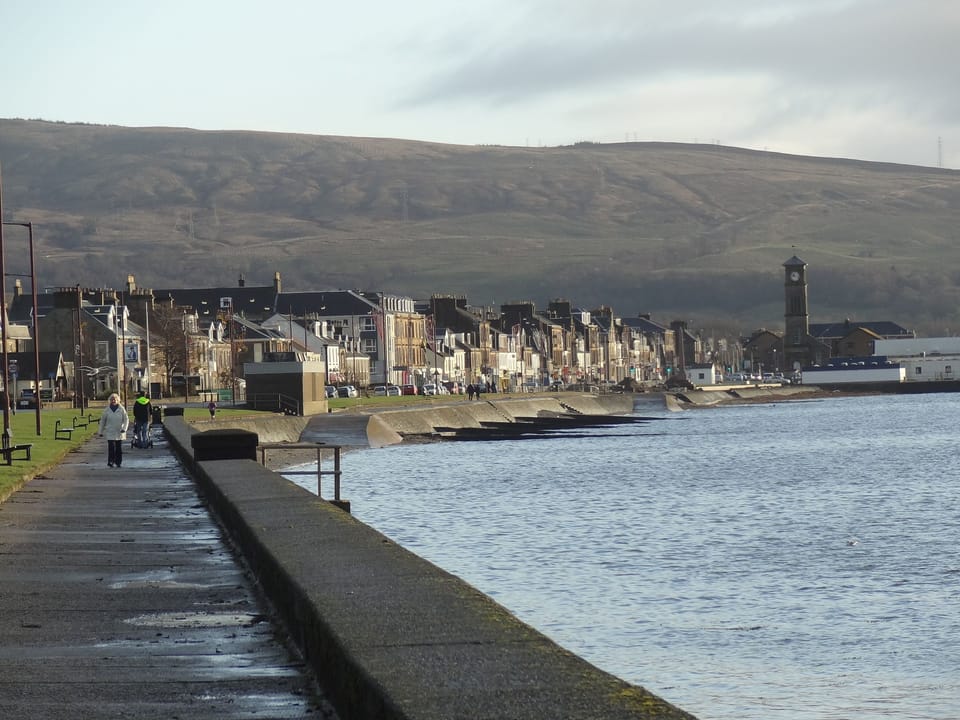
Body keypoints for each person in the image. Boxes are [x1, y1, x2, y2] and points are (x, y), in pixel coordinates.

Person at [98, 393, 129, 468]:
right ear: (110, 400)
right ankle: (110, 461)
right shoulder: (106, 410)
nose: (113, 401)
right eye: (112, 399)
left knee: (118, 448)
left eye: (115, 399)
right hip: (110, 430)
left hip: (119, 431)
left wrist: (124, 429)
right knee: (111, 447)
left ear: (118, 400)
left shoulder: (121, 409)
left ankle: (118, 462)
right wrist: (100, 431)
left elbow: (126, 419)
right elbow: (103, 421)